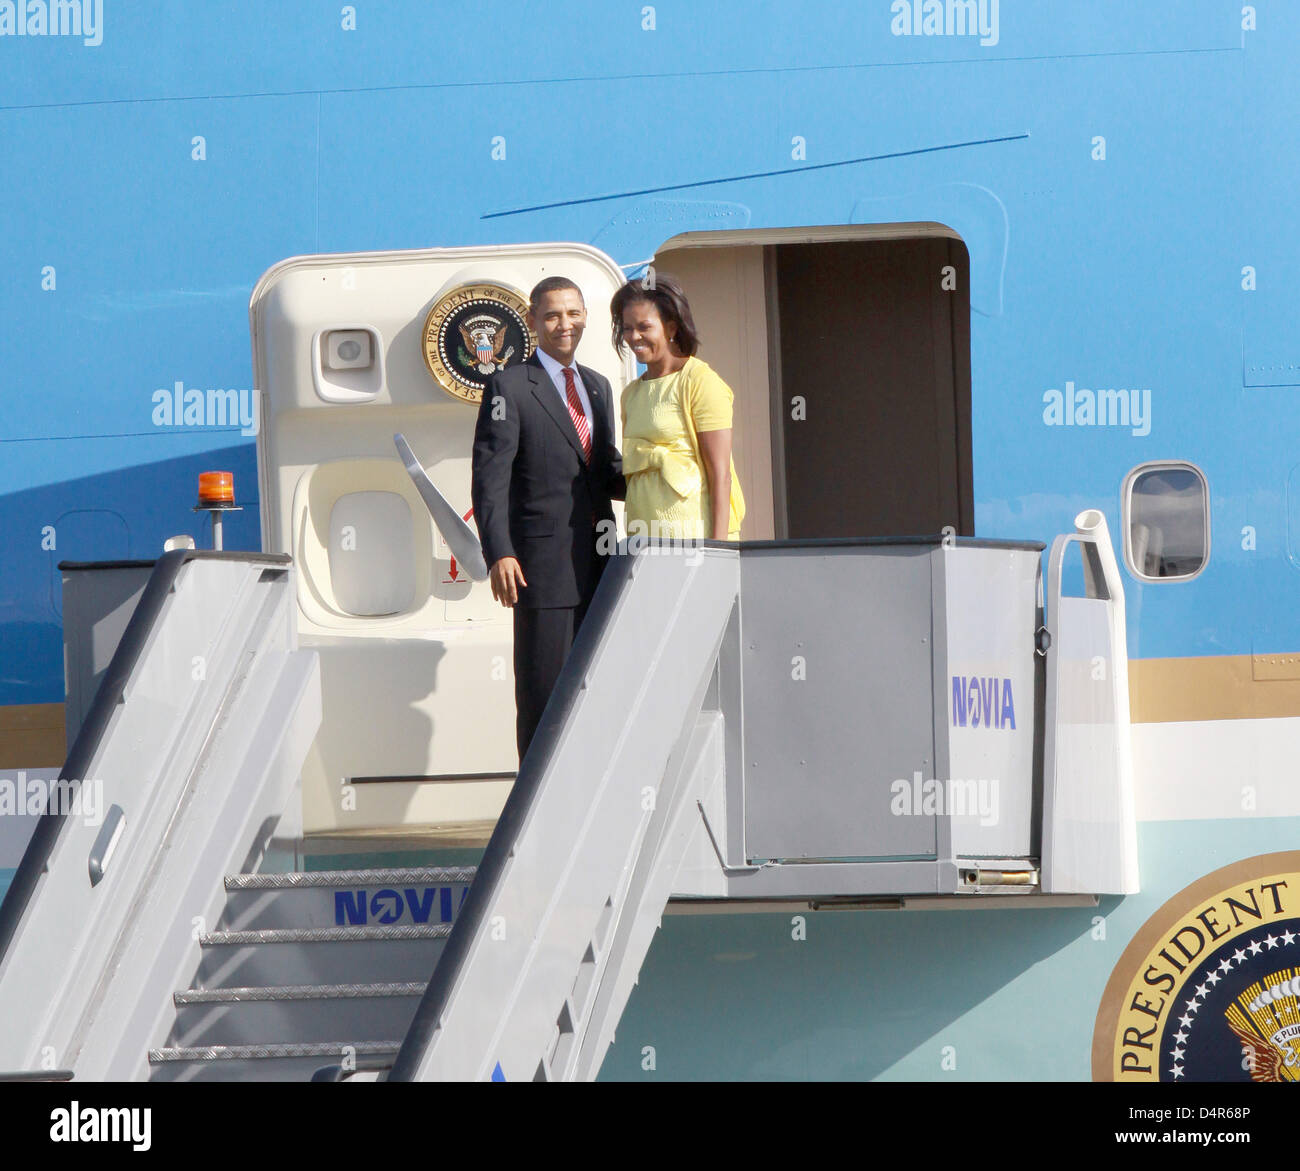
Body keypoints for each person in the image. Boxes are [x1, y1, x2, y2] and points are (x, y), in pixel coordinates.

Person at [471, 276, 625, 760]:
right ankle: (535, 811)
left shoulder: (598, 387)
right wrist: (500, 551)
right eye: (554, 315)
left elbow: (604, 472)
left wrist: (675, 471)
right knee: (543, 695)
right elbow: (489, 477)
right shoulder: (508, 385)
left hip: (600, 565)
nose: (566, 324)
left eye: (574, 313)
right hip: (541, 568)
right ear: (534, 320)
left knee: (594, 689)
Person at [610, 272, 745, 542]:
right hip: (645, 544)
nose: (633, 336)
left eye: (644, 327)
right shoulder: (631, 395)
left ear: (671, 328)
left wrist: (716, 552)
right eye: (626, 328)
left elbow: (721, 475)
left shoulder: (700, 381)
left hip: (697, 543)